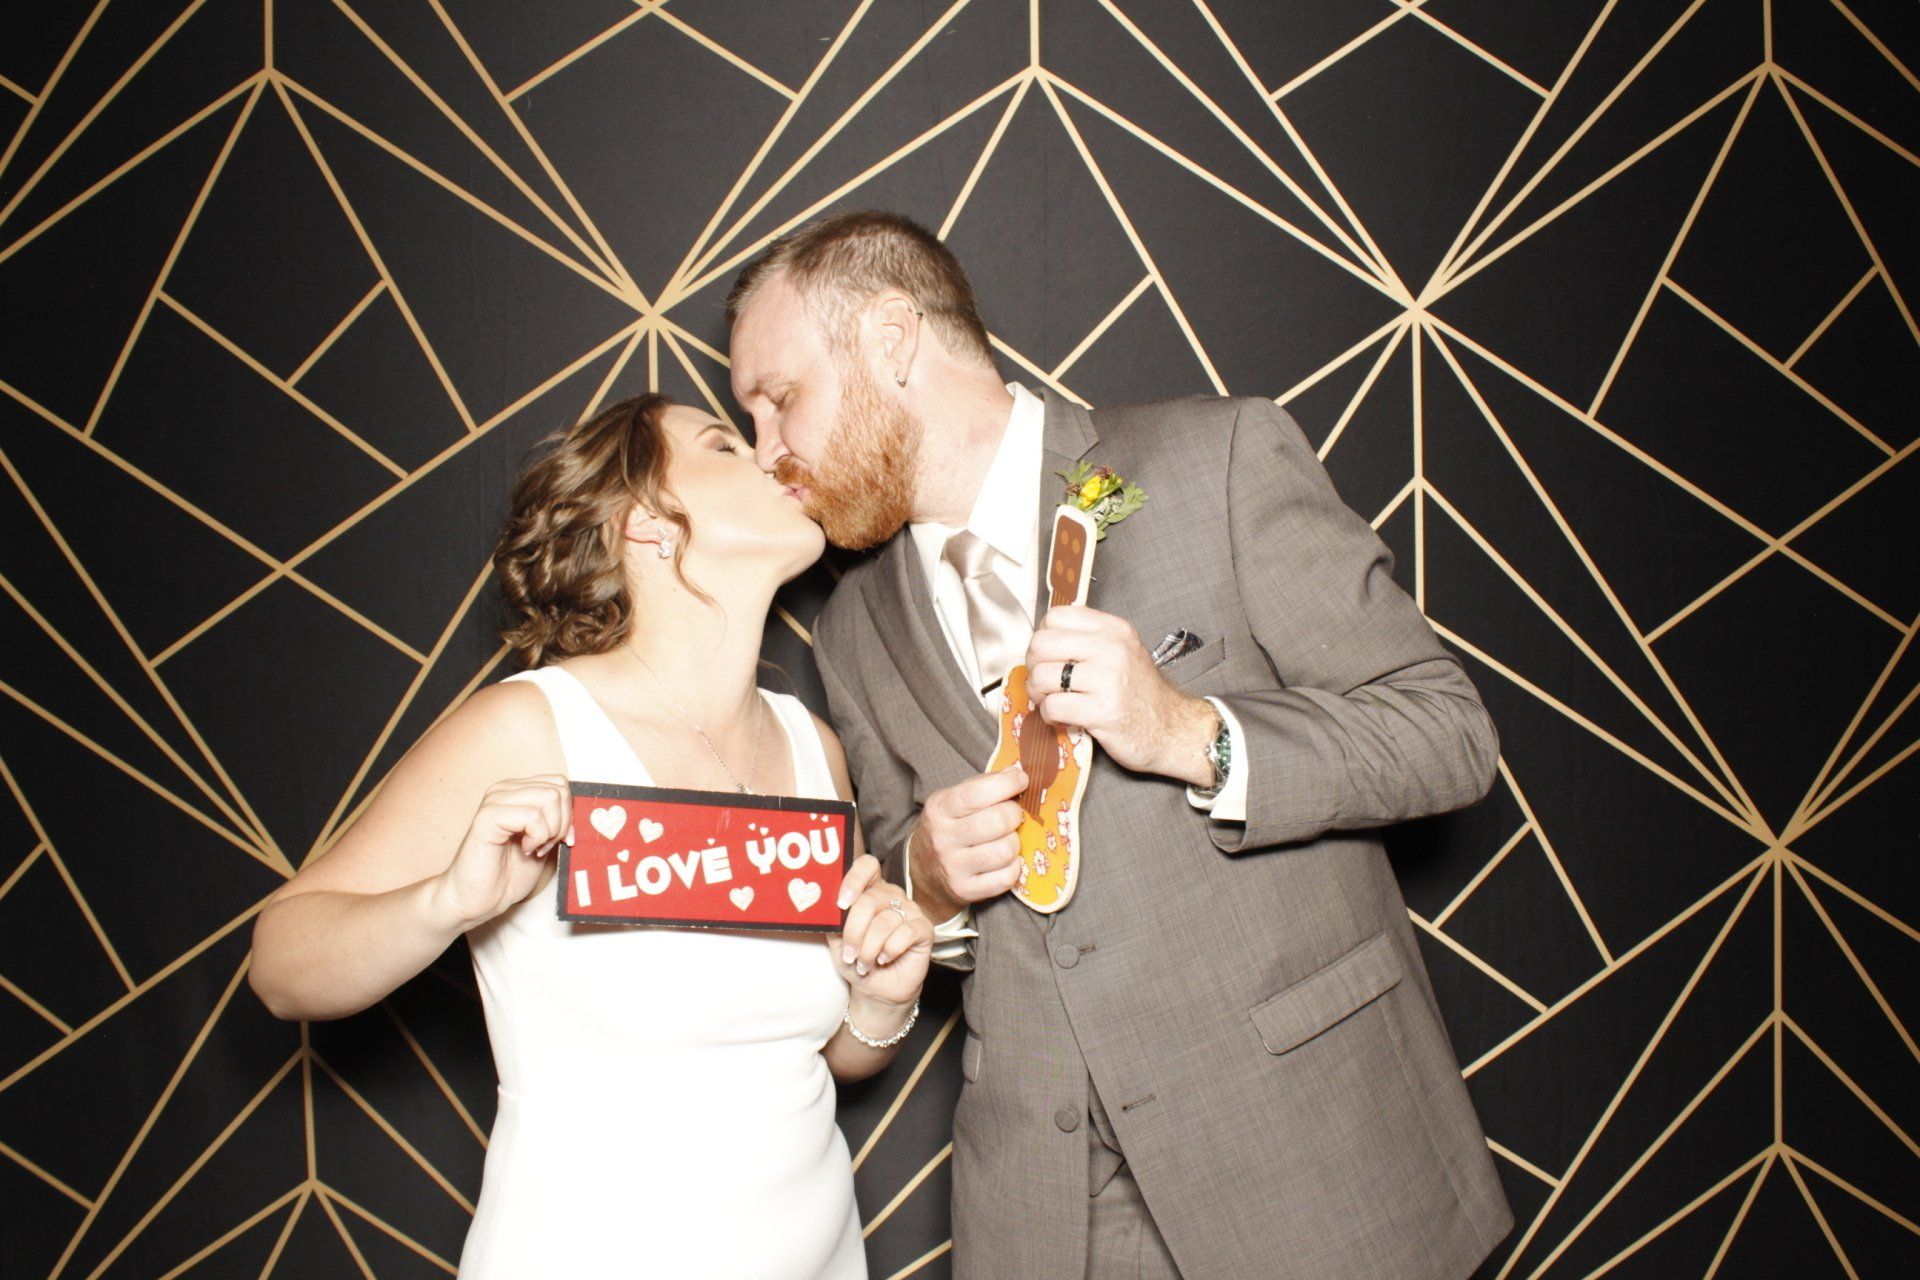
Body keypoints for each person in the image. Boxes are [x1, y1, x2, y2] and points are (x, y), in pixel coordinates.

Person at [726, 210, 1514, 1280]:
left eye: (781, 400)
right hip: (1048, 1213)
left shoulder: (1214, 457)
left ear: (892, 338)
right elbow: (910, 877)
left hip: (1308, 1163)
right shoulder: (857, 624)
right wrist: (929, 877)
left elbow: (1445, 732)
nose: (769, 453)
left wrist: (1193, 732)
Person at [247, 392, 933, 1279]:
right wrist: (445, 902)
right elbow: (280, 964)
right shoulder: (530, 730)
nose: (771, 457)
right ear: (645, 523)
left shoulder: (813, 747)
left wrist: (878, 1003)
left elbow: (804, 1059)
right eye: (724, 445)